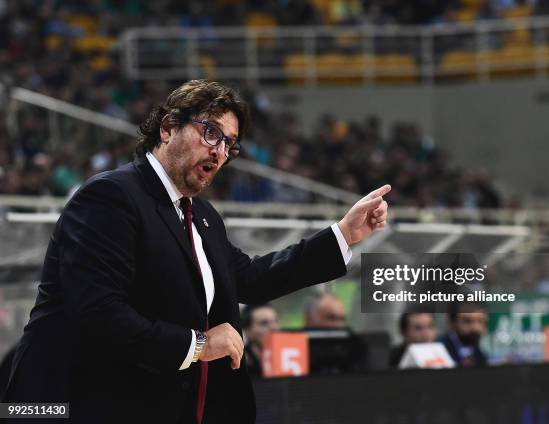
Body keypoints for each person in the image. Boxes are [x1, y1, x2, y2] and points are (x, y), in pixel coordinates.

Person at [3, 80, 391, 424]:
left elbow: (249, 279)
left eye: (229, 144)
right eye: (210, 133)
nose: (220, 152)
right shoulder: (110, 196)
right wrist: (199, 345)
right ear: (168, 128)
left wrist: (342, 234)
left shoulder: (201, 214)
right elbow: (97, 310)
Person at [439, 303, 488, 367]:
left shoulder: (481, 351)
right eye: (467, 321)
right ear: (452, 322)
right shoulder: (438, 350)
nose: (475, 327)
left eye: (480, 321)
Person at [241, 304, 279, 377]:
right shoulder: (240, 362)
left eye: (275, 321)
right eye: (264, 323)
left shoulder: (288, 355)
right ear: (247, 330)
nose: (273, 327)